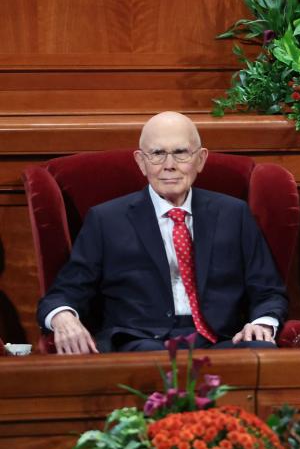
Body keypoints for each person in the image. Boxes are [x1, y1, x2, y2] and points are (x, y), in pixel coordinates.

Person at [37, 111, 287, 354]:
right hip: (140, 340)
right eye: (157, 154)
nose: (169, 166)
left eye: (180, 153)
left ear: (200, 159)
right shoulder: (106, 220)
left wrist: (263, 322)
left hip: (220, 339)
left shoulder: (234, 214)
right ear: (140, 162)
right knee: (152, 356)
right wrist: (62, 316)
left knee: (260, 350)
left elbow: (268, 290)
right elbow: (66, 291)